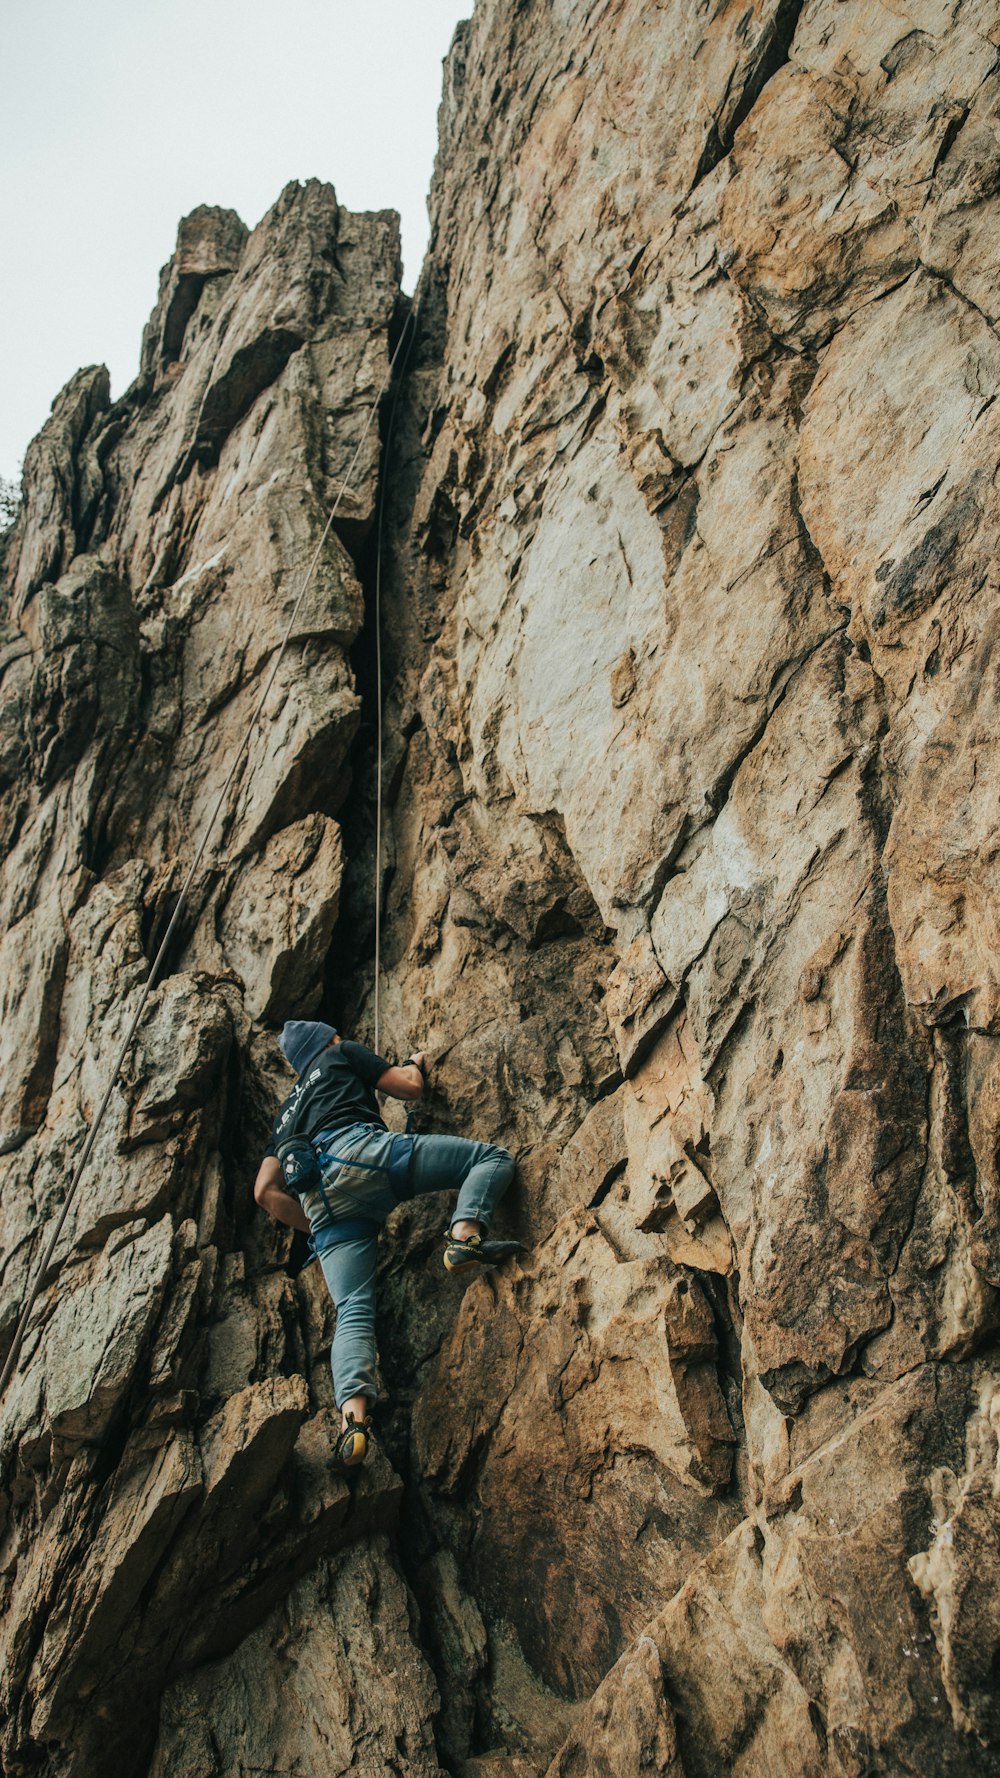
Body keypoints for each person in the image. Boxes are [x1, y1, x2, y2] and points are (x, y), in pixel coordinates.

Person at [253, 1019, 519, 1474]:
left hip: (323, 1207)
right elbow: (409, 1089)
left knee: (353, 1312)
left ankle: (353, 1423)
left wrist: (315, 1229)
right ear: (329, 1039)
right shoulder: (342, 1053)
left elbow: (265, 1191)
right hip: (362, 1157)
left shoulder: (284, 1114)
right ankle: (463, 1238)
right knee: (490, 1159)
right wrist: (413, 1065)